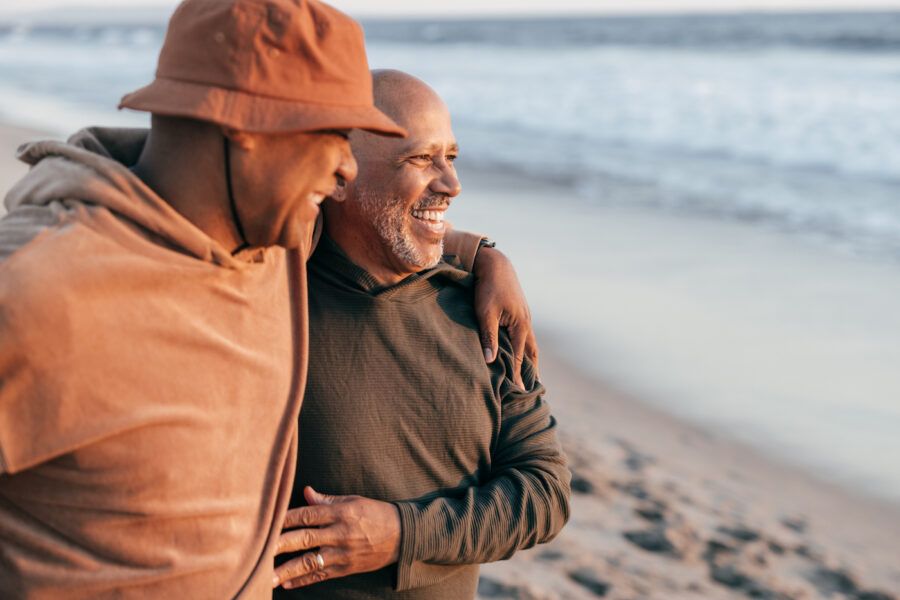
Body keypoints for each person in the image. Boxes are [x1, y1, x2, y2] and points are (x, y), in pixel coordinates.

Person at [0, 2, 534, 598]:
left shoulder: (275, 242)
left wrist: (481, 251)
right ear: (246, 131)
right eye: (333, 136)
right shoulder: (36, 294)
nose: (345, 168)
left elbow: (380, 223)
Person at [272, 70, 570, 599]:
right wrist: (477, 248)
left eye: (450, 157)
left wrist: (402, 535)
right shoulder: (271, 303)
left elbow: (544, 493)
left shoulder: (483, 315)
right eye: (420, 159)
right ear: (339, 174)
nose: (451, 184)